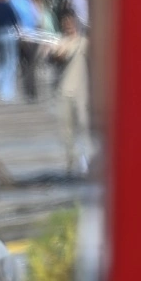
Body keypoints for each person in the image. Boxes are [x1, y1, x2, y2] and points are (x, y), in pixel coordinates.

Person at [50, 11, 92, 175]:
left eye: (70, 22)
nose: (68, 25)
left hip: (82, 92)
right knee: (65, 130)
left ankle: (87, 160)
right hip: (63, 91)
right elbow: (55, 59)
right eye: (65, 22)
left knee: (84, 126)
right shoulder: (59, 42)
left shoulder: (85, 42)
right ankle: (71, 160)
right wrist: (55, 53)